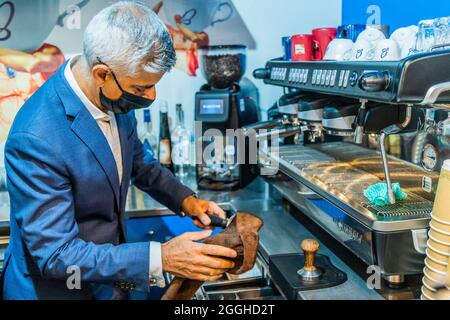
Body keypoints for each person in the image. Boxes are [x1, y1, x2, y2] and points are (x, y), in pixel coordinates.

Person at [1, 1, 236, 300]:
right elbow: (57, 255)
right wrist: (161, 258)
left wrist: (186, 200)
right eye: (140, 89)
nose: (150, 96)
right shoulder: (36, 137)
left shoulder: (115, 95)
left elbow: (137, 160)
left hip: (106, 283)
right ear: (101, 74)